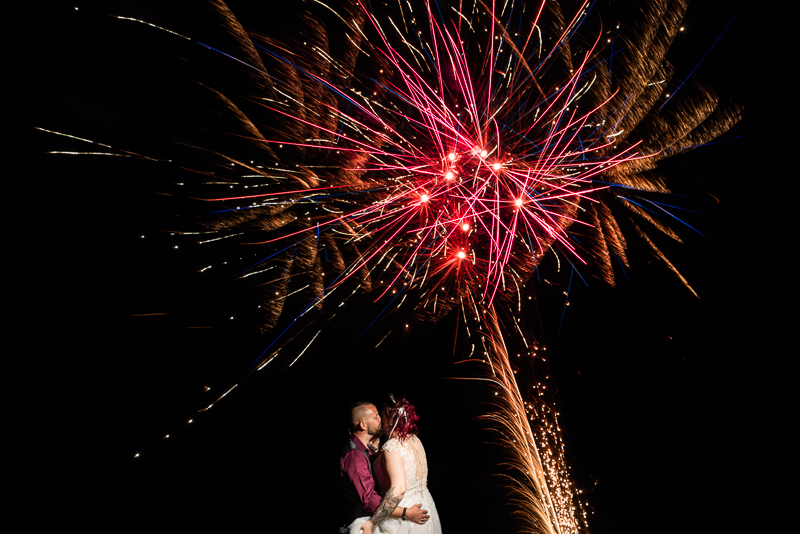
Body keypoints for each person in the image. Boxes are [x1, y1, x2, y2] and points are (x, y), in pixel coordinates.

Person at [349, 397, 442, 534]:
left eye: (381, 416)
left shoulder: (392, 446)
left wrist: (374, 522)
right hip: (426, 508)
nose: (380, 420)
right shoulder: (415, 440)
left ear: (389, 419)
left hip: (406, 516)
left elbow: (399, 489)